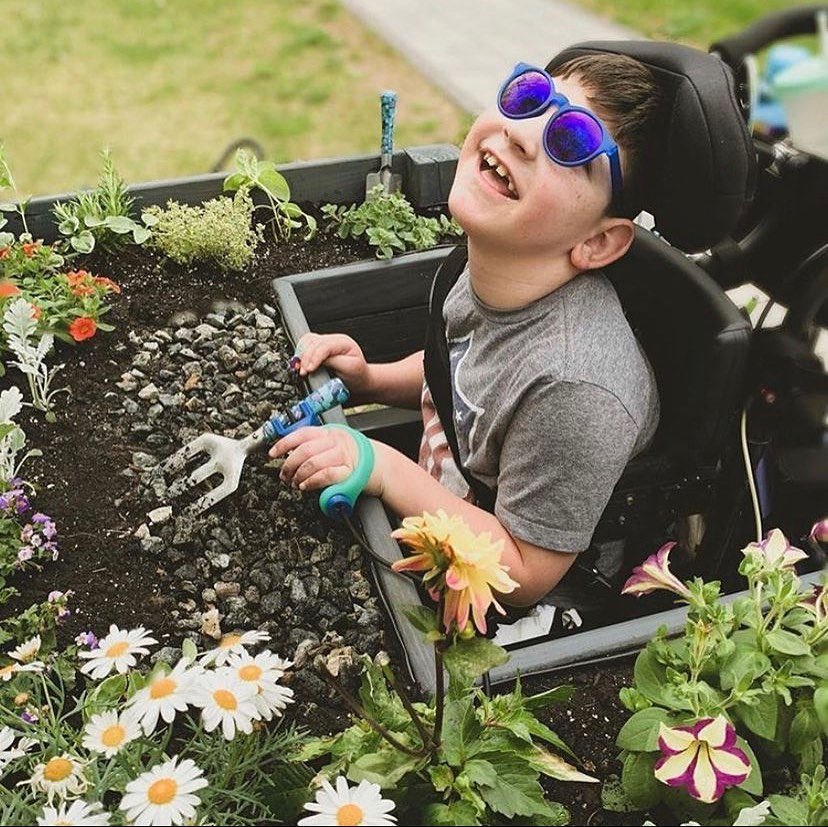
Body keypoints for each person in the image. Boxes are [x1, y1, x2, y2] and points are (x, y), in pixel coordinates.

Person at [271, 52, 663, 613]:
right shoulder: (491, 267)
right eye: (529, 98)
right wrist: (371, 380)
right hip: (443, 506)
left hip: (501, 597)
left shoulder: (577, 389)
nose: (522, 134)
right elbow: (461, 373)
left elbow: (523, 574)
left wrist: (385, 469)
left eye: (572, 142)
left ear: (598, 242)